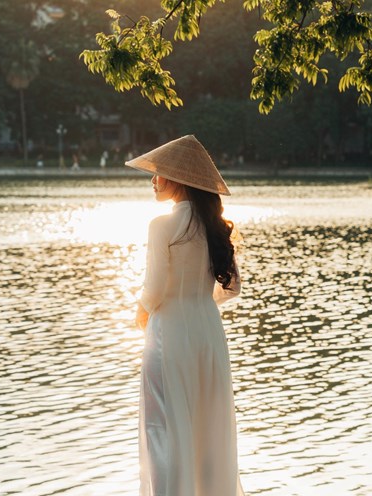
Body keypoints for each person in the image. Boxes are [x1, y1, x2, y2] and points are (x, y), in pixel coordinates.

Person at [125, 135, 245, 496]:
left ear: (177, 179)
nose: (153, 180)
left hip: (170, 335)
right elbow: (232, 288)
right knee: (208, 426)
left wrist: (142, 311)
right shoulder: (216, 226)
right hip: (208, 332)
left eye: (159, 172)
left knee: (163, 426)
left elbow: (156, 287)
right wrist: (197, 303)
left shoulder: (161, 225)